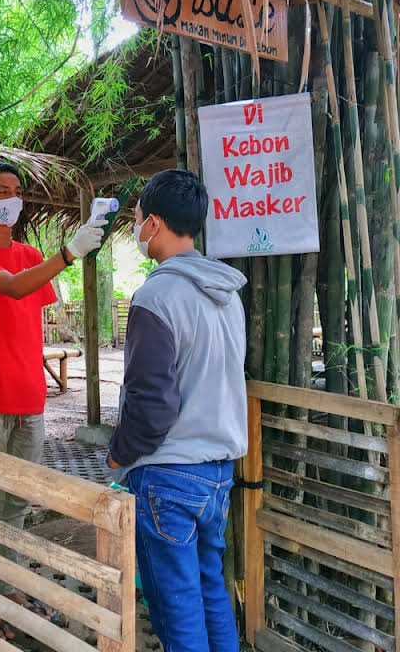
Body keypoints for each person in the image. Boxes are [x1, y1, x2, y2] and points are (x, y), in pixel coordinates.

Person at [0, 162, 104, 639]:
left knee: (18, 502)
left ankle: (10, 588)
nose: (13, 199)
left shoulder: (30, 253)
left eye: (17, 191)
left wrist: (57, 256)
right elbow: (15, 288)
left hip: (29, 396)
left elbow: (32, 297)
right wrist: (69, 251)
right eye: (3, 191)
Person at [107, 169, 247, 652]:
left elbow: (151, 403)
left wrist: (117, 453)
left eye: (139, 217)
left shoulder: (156, 296)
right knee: (211, 593)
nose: (137, 226)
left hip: (168, 474)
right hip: (217, 472)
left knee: (176, 607)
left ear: (156, 223)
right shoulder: (228, 296)